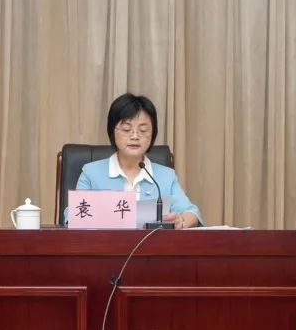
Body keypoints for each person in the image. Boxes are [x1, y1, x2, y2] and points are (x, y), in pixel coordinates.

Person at [76, 93, 202, 228]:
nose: (135, 136)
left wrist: (181, 221)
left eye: (143, 130)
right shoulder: (91, 173)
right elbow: (73, 215)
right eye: (126, 129)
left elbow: (192, 213)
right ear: (112, 131)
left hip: (152, 242)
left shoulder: (166, 176)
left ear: (153, 133)